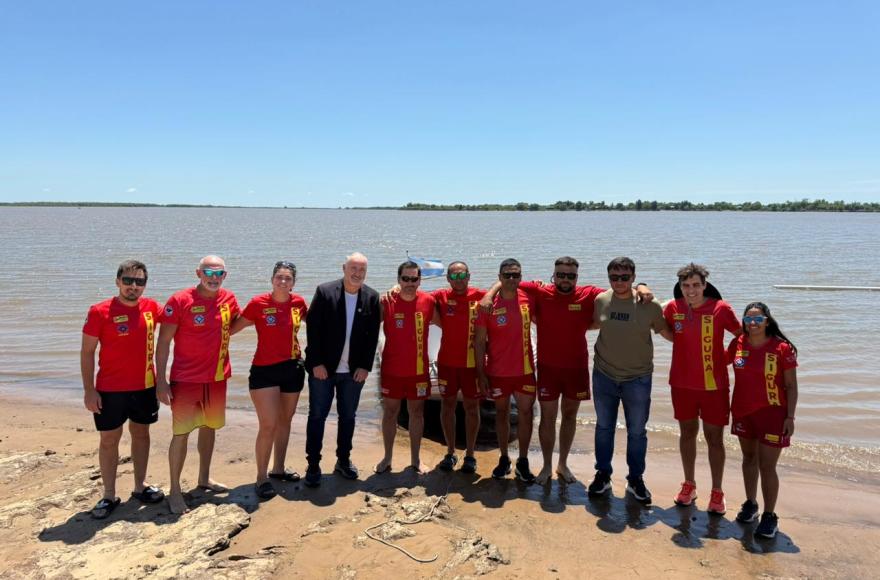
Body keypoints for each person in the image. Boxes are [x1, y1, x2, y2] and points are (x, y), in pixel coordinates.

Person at [482, 257, 654, 486]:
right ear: (554, 275)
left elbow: (620, 290)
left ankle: (562, 463)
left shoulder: (589, 294)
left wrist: (641, 286)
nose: (565, 279)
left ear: (577, 277)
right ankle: (546, 465)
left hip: (576, 367)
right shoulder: (541, 291)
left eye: (570, 275)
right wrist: (488, 295)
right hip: (548, 368)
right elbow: (507, 282)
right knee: (548, 417)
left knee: (570, 416)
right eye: (561, 274)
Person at [80, 260, 165, 519]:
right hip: (109, 390)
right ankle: (108, 495)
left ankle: (140, 487)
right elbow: (87, 352)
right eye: (128, 281)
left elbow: (181, 321)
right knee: (109, 440)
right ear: (117, 281)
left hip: (145, 388)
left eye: (139, 282)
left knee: (141, 435)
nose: (133, 286)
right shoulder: (99, 311)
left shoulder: (152, 308)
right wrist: (89, 390)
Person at [157, 255, 240, 514]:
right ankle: (174, 491)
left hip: (216, 378)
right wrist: (161, 381)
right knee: (181, 433)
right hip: (186, 379)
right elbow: (162, 343)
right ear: (198, 273)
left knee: (209, 427)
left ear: (225, 276)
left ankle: (204, 478)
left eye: (219, 274)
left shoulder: (229, 299)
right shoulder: (180, 300)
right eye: (208, 272)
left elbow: (232, 325)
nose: (213, 278)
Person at [588, 257, 671, 503]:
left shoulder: (650, 304)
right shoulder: (601, 300)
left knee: (637, 431)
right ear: (608, 278)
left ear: (634, 278)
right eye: (614, 277)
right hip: (604, 375)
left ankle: (636, 479)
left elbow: (667, 332)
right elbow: (590, 324)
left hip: (638, 378)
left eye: (625, 277)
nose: (619, 282)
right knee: (604, 427)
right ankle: (602, 474)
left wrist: (697, 346)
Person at [663, 263, 741, 515]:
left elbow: (741, 336)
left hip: (713, 386)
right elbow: (664, 327)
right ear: (680, 287)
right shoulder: (674, 308)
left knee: (714, 439)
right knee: (686, 434)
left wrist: (726, 358)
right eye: (686, 286)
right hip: (681, 384)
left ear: (705, 285)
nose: (691, 290)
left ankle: (717, 492)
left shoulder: (721, 309)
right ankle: (689, 485)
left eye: (696, 285)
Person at [231, 261, 307, 500]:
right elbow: (232, 329)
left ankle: (278, 469)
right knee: (268, 425)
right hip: (264, 371)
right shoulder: (258, 304)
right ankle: (261, 477)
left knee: (285, 421)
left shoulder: (299, 303)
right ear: (272, 279)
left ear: (294, 282)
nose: (283, 282)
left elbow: (319, 326)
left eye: (288, 278)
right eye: (279, 277)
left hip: (293, 368)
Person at [303, 252, 381, 487]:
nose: (357, 274)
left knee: (348, 417)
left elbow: (372, 338)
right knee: (317, 416)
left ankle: (343, 460)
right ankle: (313, 463)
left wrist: (365, 367)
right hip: (323, 370)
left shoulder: (372, 297)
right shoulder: (325, 291)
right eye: (353, 268)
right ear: (344, 268)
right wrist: (316, 363)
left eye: (362, 270)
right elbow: (313, 330)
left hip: (354, 373)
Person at [728, 302, 798, 539]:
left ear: (767, 320)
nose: (753, 324)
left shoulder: (782, 348)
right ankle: (751, 504)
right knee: (748, 458)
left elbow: (790, 385)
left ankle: (770, 516)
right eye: (748, 320)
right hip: (742, 412)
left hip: (773, 414)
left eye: (758, 319)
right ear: (744, 323)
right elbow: (716, 362)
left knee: (767, 466)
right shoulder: (738, 344)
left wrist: (790, 416)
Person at [474, 258, 537, 482]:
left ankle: (523, 461)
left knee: (525, 415)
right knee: (501, 414)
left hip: (525, 371)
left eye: (516, 275)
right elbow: (479, 343)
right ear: (499, 277)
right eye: (507, 275)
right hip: (498, 372)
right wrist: (481, 374)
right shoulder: (487, 305)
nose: (512, 279)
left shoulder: (529, 297)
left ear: (521, 277)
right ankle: (503, 458)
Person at [375, 261, 436, 474]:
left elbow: (452, 318)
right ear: (398, 279)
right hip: (392, 371)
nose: (410, 283)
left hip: (418, 371)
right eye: (405, 279)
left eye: (414, 279)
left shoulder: (429, 301)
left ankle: (416, 459)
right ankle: (387, 458)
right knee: (390, 412)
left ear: (420, 280)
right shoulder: (387, 301)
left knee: (416, 413)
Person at [433, 262, 486, 473]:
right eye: (454, 277)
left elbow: (504, 288)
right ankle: (451, 452)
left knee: (472, 408)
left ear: (469, 276)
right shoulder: (441, 296)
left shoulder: (480, 295)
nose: (459, 280)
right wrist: (396, 289)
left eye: (462, 275)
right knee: (447, 407)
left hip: (472, 365)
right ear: (447, 279)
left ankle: (471, 455)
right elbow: (415, 294)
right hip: (447, 363)